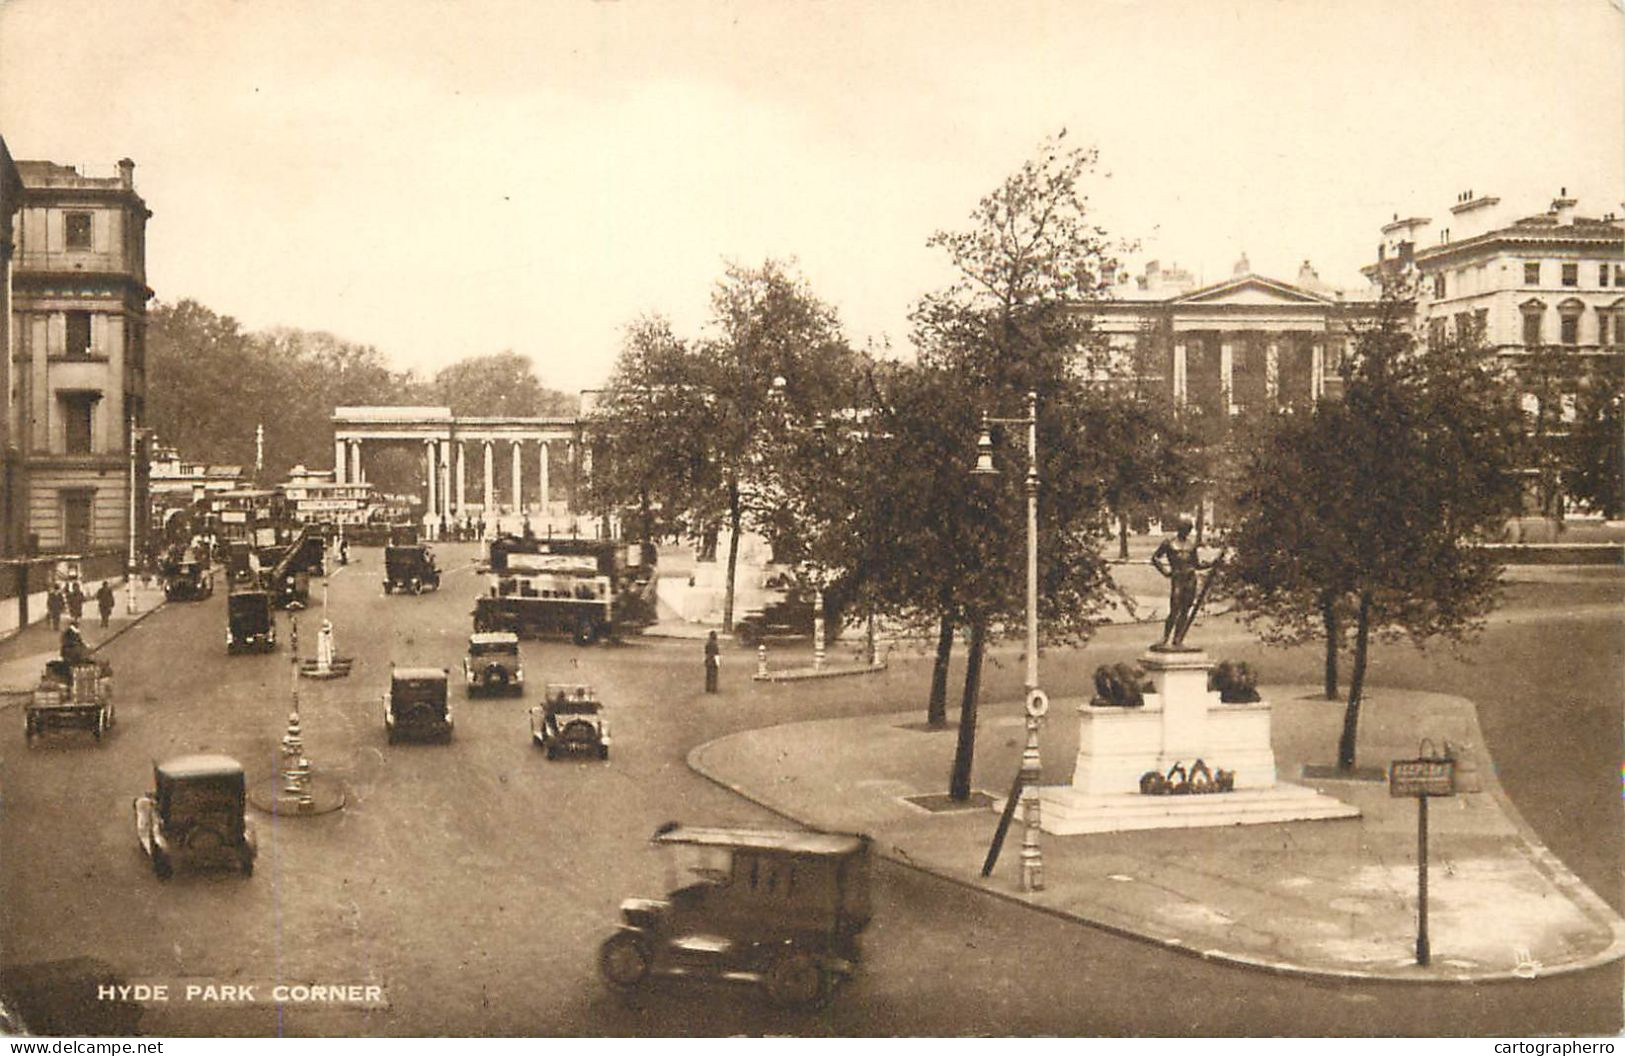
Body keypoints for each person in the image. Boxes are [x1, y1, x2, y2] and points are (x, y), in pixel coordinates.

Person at [1149, 516, 1210, 647]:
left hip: (1190, 579)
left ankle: (1177, 639)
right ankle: (1165, 638)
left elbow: (1196, 564)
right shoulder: (1169, 543)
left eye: (1188, 529)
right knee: (1174, 609)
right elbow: (1155, 558)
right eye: (1184, 528)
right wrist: (1165, 572)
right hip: (1177, 579)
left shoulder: (1191, 545)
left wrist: (1211, 564)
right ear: (1179, 528)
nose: (1186, 531)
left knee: (1185, 610)